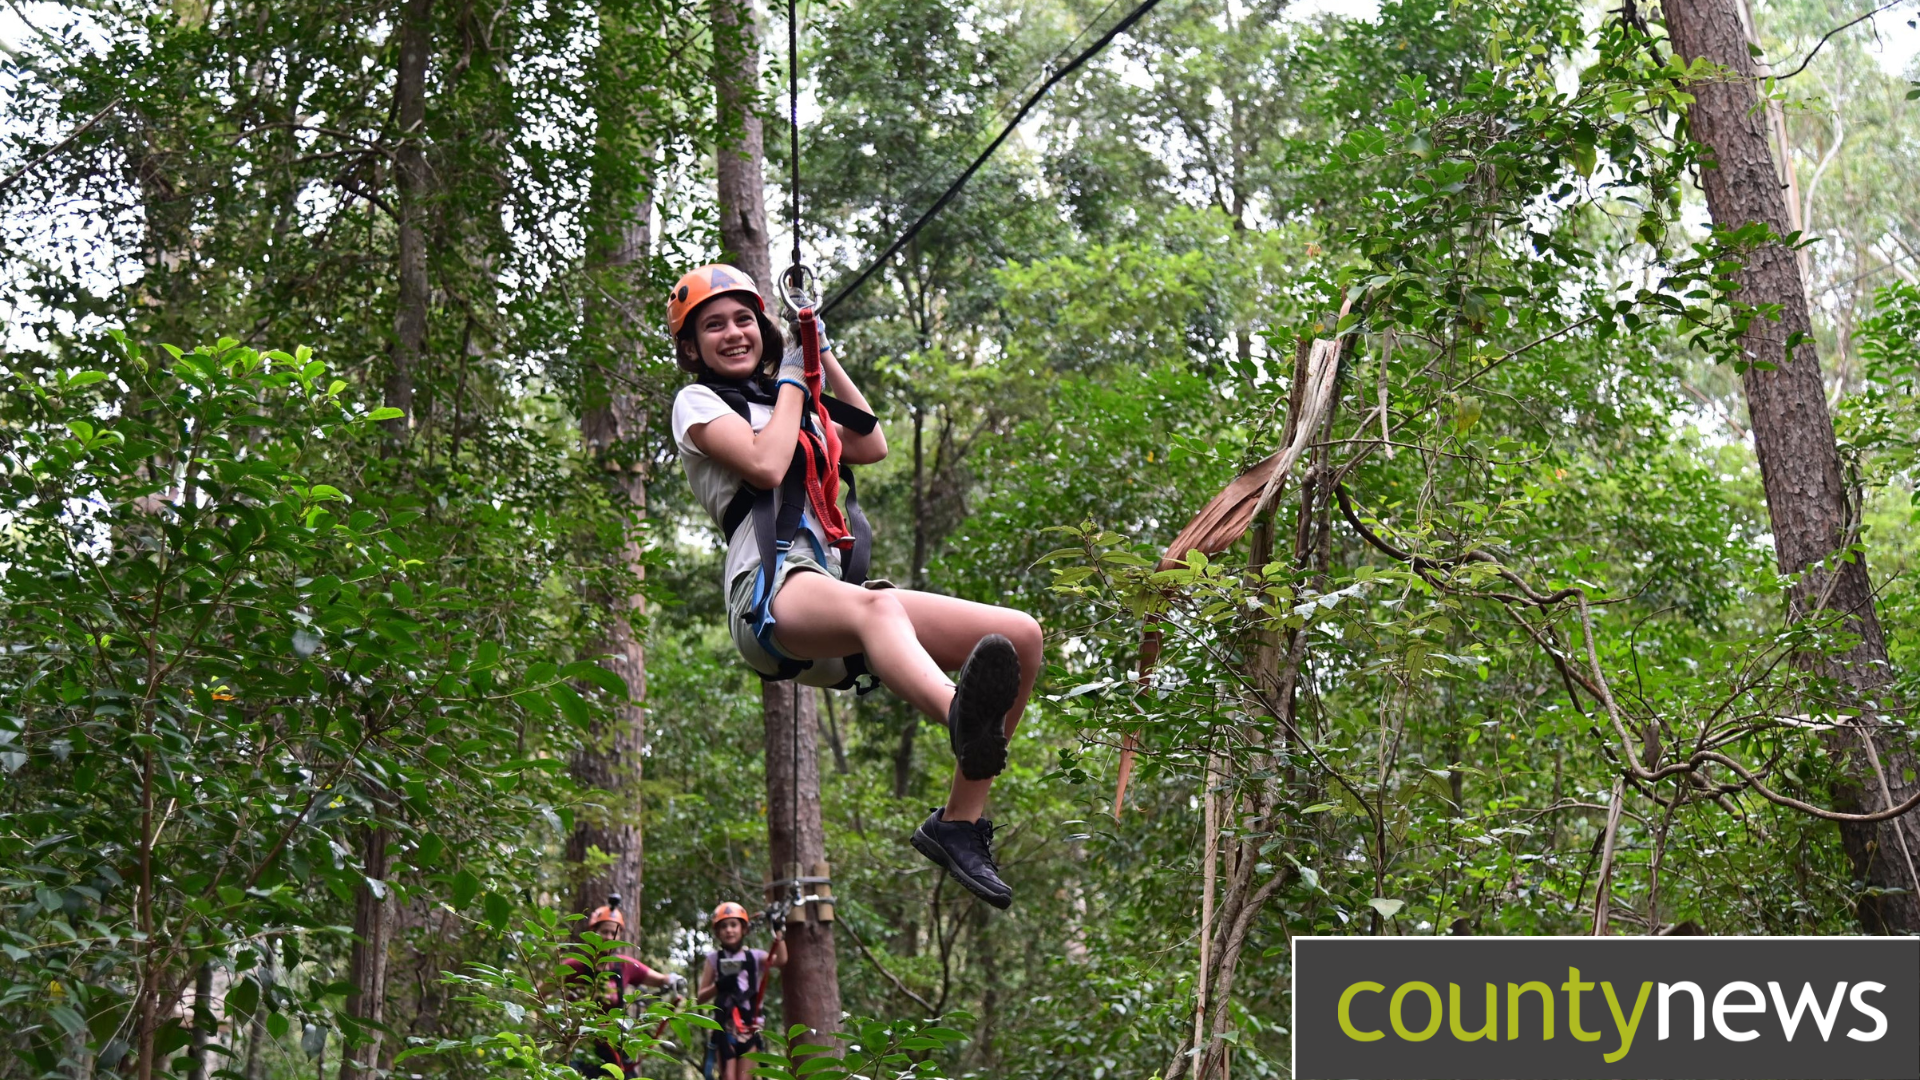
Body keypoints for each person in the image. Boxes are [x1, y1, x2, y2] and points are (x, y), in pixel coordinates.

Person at [668, 264, 1044, 908]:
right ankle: (956, 712)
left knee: (1019, 635)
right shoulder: (698, 405)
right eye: (713, 326)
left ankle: (959, 822)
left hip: (838, 601)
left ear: (762, 325)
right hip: (769, 591)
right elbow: (764, 463)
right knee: (877, 605)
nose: (733, 333)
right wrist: (792, 374)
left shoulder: (790, 399)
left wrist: (819, 352)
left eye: (743, 319)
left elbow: (869, 444)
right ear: (691, 348)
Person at [561, 896, 687, 1077]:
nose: (608, 937)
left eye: (614, 933)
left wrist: (673, 979)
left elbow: (659, 978)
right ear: (593, 932)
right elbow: (542, 992)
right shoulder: (575, 965)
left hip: (616, 1045)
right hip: (582, 1045)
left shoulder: (624, 965)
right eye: (604, 932)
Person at [696, 902, 786, 1079]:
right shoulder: (714, 959)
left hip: (750, 1025)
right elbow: (700, 998)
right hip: (725, 1026)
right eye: (724, 926)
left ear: (744, 929)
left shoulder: (755, 956)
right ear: (717, 933)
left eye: (733, 925)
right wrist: (719, 986)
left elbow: (781, 960)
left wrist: (778, 931)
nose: (729, 930)